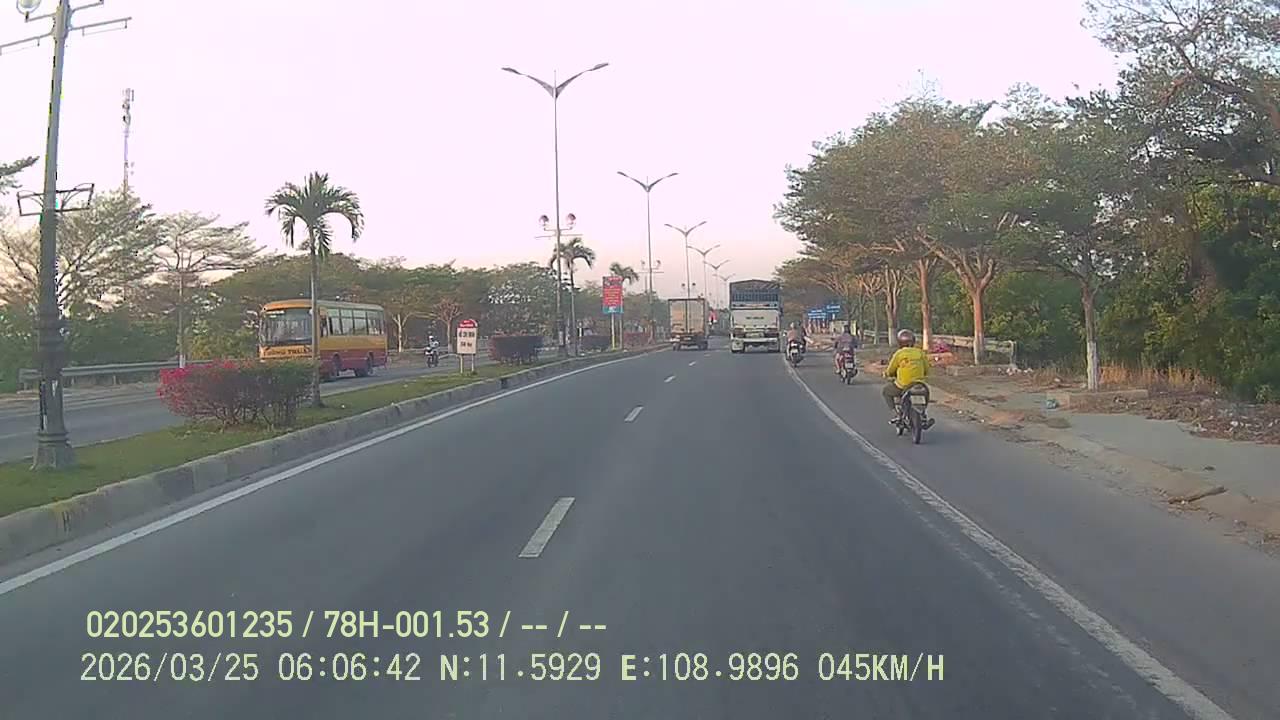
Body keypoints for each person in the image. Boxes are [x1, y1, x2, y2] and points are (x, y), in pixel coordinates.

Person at [882, 329, 933, 426]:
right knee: (925, 394)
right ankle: (923, 415)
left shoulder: (899, 354)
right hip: (919, 384)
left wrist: (887, 374)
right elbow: (927, 369)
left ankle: (896, 414)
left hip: (903, 385)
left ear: (899, 342)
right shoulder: (920, 353)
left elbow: (890, 370)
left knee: (886, 391)